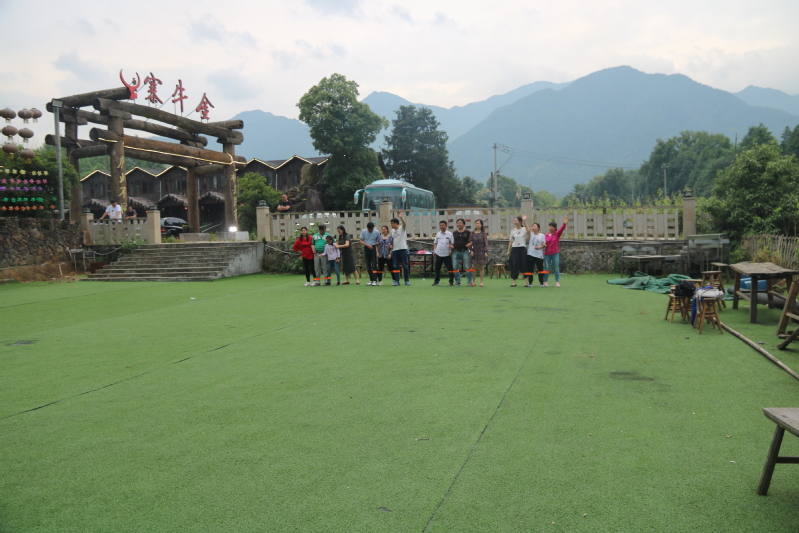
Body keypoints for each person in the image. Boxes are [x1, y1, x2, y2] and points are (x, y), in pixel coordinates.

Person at [544, 216, 568, 287]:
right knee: (547, 268)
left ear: (555, 228)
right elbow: (543, 242)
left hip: (555, 253)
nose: (550, 228)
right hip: (547, 254)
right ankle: (545, 281)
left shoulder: (557, 234)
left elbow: (562, 229)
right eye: (549, 226)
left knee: (556, 268)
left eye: (552, 227)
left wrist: (564, 223)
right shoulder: (546, 235)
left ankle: (557, 282)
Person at [506, 215, 529, 287]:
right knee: (514, 264)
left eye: (516, 220)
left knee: (524, 264)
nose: (514, 221)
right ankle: (514, 282)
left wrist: (524, 220)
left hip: (522, 248)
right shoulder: (513, 230)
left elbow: (528, 230)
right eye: (514, 220)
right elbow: (511, 240)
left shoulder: (524, 229)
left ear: (520, 222)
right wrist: (508, 250)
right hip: (515, 249)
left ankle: (526, 282)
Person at [432, 220, 455, 286]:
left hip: (447, 254)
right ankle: (436, 281)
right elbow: (435, 243)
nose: (441, 226)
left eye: (442, 225)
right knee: (437, 268)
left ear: (446, 226)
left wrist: (451, 251)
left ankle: (451, 281)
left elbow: (452, 244)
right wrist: (435, 251)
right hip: (439, 253)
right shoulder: (438, 234)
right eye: (440, 225)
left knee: (450, 268)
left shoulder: (450, 234)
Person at [390, 211, 410, 286]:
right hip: (395, 251)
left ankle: (406, 280)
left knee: (405, 265)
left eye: (392, 223)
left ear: (396, 223)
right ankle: (396, 281)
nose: (391, 225)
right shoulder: (392, 231)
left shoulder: (402, 228)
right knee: (395, 266)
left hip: (402, 249)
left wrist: (401, 217)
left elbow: (405, 224)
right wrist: (391, 247)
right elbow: (394, 240)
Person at [451, 218, 472, 286]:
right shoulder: (454, 233)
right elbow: (451, 242)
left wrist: (470, 244)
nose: (458, 224)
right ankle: (458, 281)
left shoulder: (467, 232)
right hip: (456, 251)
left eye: (460, 223)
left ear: (464, 224)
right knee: (455, 267)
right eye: (457, 223)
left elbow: (472, 241)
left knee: (467, 267)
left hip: (465, 251)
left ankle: (469, 282)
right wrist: (451, 246)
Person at [525, 222, 547, 288]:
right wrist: (524, 221)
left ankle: (541, 283)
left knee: (540, 269)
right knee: (530, 269)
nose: (533, 227)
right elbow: (527, 229)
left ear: (538, 228)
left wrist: (539, 247)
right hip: (530, 254)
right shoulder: (531, 234)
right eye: (532, 226)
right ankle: (530, 283)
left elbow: (544, 245)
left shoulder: (542, 235)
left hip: (539, 255)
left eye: (535, 226)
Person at [468, 219, 489, 287]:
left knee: (481, 266)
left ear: (481, 225)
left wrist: (486, 252)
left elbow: (486, 243)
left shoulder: (484, 233)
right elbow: (470, 243)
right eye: (476, 223)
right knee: (473, 266)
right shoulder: (472, 233)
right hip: (474, 251)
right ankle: (473, 281)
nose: (477, 224)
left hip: (481, 251)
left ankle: (481, 282)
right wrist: (471, 250)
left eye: (478, 223)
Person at [359, 222, 380, 286]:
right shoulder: (363, 231)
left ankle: (374, 280)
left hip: (374, 248)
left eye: (372, 229)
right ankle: (371, 280)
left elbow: (378, 240)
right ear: (367, 228)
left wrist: (377, 246)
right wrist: (368, 245)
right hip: (366, 248)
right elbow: (361, 241)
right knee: (368, 265)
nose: (371, 230)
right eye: (370, 229)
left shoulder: (376, 232)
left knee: (374, 264)